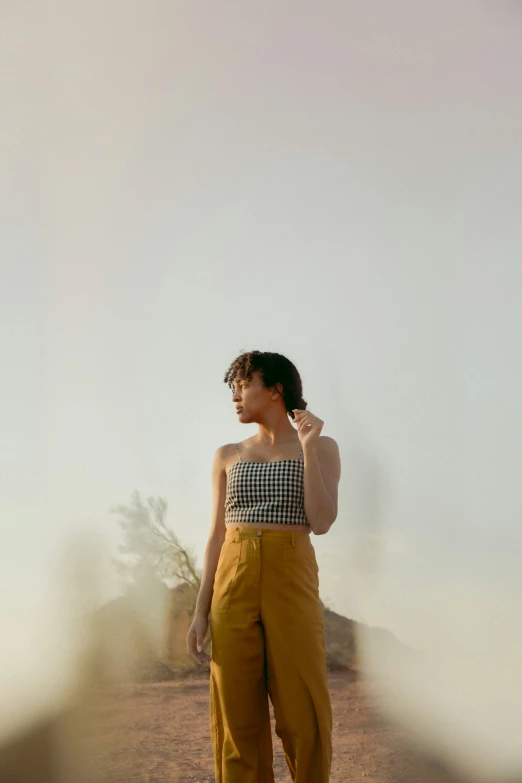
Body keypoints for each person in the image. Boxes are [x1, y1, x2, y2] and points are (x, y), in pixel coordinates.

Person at [187, 350, 341, 783]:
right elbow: (216, 535)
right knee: (237, 718)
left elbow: (323, 521)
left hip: (290, 575)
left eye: (242, 385)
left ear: (275, 389)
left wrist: (308, 449)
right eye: (232, 388)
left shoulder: (323, 446)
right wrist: (201, 610)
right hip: (231, 581)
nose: (235, 396)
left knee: (302, 712)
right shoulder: (227, 454)